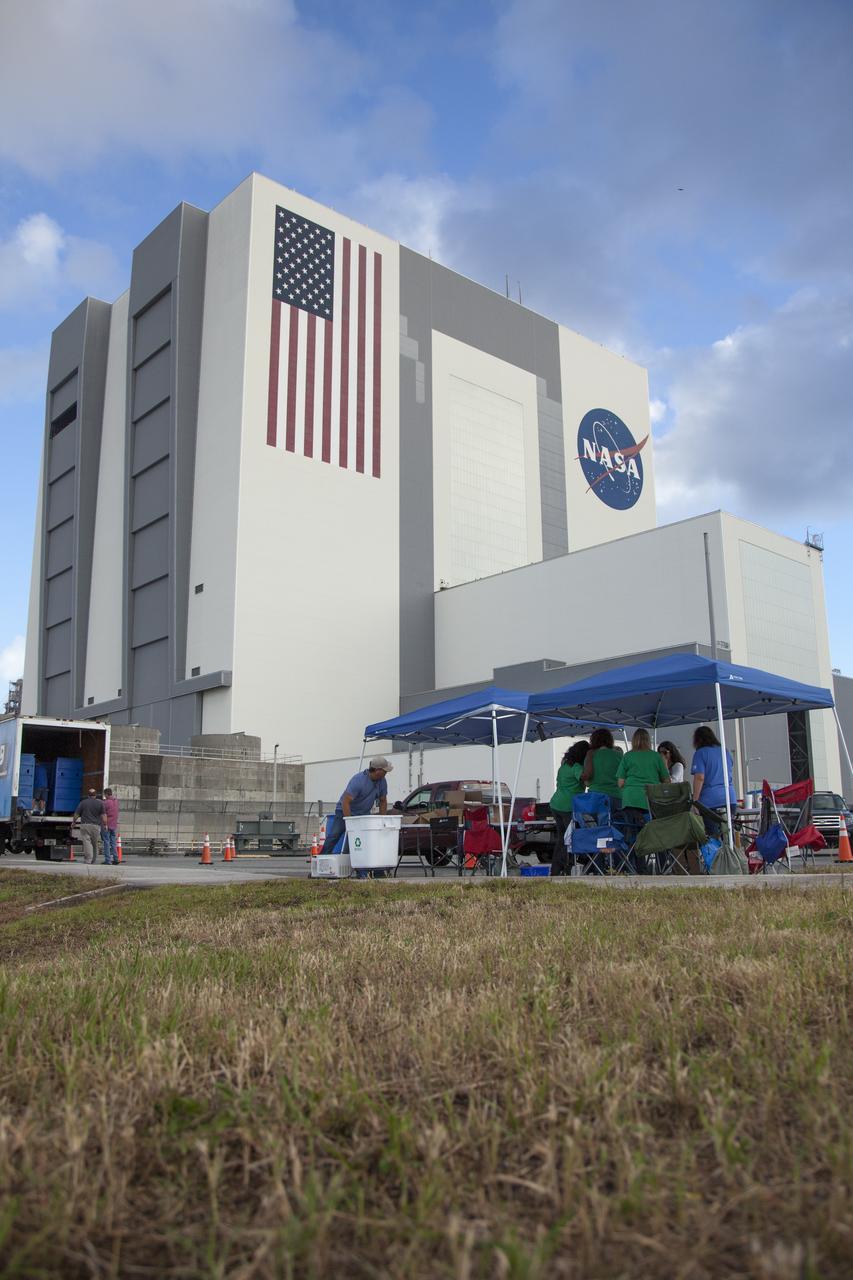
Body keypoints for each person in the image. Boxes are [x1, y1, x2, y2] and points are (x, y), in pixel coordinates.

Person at [321, 756, 393, 878]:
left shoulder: (382, 782)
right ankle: (321, 862)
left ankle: (362, 871)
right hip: (344, 812)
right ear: (377, 770)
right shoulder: (358, 781)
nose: (386, 773)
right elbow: (346, 801)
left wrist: (382, 819)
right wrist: (349, 821)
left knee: (359, 843)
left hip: (363, 815)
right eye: (385, 771)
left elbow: (383, 801)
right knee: (334, 836)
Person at [616, 729, 670, 865]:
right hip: (651, 800)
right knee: (656, 832)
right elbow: (667, 781)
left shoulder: (627, 756)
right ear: (648, 740)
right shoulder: (656, 757)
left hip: (630, 800)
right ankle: (662, 864)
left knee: (633, 834)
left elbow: (620, 782)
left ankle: (637, 867)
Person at [549, 740, 589, 876]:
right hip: (568, 806)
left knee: (561, 839)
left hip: (556, 804)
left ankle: (556, 869)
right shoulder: (577, 767)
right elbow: (584, 777)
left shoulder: (564, 766)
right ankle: (568, 867)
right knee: (570, 839)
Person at [690, 725, 735, 835]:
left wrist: (695, 801)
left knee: (712, 836)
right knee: (729, 833)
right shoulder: (725, 751)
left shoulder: (700, 753)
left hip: (710, 801)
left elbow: (700, 777)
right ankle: (732, 851)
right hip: (729, 798)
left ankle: (715, 851)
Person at [582, 728, 624, 811]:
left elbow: (587, 782)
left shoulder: (590, 755)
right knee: (617, 823)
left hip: (596, 797)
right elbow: (623, 780)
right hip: (617, 796)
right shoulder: (619, 756)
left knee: (598, 824)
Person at [72, 788, 107, 865]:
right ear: (95, 795)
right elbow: (104, 815)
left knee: (87, 842)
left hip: (85, 825)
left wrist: (74, 822)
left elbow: (77, 814)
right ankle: (94, 860)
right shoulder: (100, 803)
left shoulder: (83, 803)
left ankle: (88, 860)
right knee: (94, 843)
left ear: (88, 795)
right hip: (96, 826)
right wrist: (105, 825)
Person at [101, 787, 120, 865]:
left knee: (106, 842)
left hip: (107, 825)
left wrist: (104, 824)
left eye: (104, 794)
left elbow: (103, 813)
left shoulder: (106, 803)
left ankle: (108, 860)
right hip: (114, 825)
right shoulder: (116, 801)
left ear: (106, 794)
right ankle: (116, 859)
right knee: (113, 842)